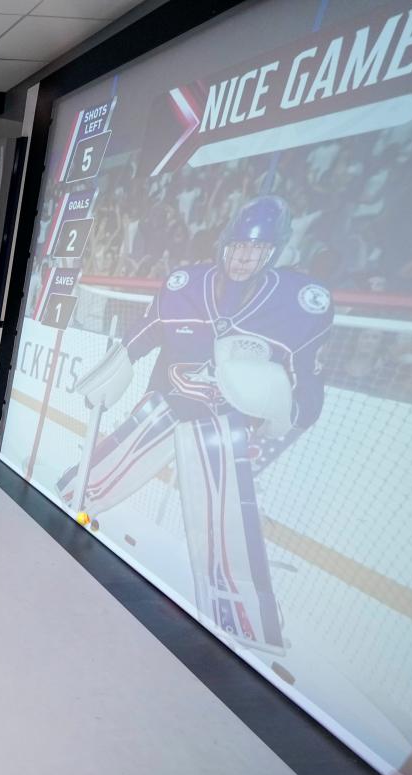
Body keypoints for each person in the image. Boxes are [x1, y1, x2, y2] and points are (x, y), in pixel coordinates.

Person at [55, 196, 334, 655]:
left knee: (225, 521)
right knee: (98, 472)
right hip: (168, 403)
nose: (246, 256)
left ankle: (243, 619)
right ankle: (69, 499)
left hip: (224, 426)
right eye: (240, 245)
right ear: (225, 244)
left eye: (257, 249)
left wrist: (289, 415)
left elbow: (308, 385)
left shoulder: (298, 303)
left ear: (273, 253)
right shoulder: (187, 283)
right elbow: (145, 332)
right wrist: (119, 361)